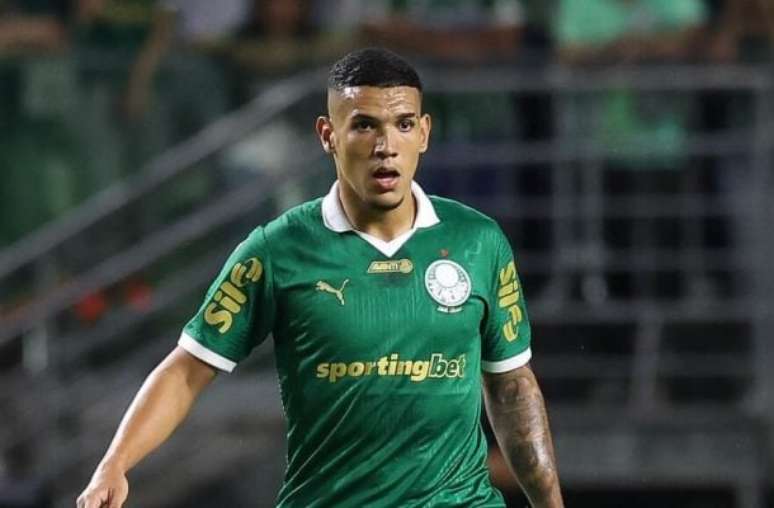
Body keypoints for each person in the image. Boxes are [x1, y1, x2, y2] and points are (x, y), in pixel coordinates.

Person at [77, 47, 563, 508]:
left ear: (424, 133)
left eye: (403, 124)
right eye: (364, 126)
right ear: (328, 135)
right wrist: (114, 464)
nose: (385, 147)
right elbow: (187, 369)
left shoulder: (477, 241)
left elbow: (511, 386)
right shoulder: (277, 250)